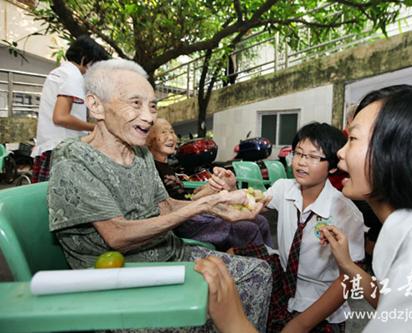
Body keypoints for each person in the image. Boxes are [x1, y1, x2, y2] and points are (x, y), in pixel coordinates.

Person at [195, 85, 412, 333]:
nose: (340, 153)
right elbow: (388, 298)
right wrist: (350, 266)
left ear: (396, 156)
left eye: (352, 138)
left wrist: (233, 320)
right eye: (300, 154)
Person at [47, 59, 272, 332]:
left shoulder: (139, 152)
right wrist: (207, 204)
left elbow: (164, 206)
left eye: (152, 105)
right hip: (119, 282)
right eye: (135, 103)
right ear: (96, 106)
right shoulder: (73, 158)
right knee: (200, 317)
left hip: (169, 258)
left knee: (258, 273)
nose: (149, 116)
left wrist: (218, 207)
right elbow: (117, 236)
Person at [209, 122, 365, 332]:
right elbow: (253, 203)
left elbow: (348, 280)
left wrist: (299, 325)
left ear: (334, 166)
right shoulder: (285, 188)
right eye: (299, 153)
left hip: (320, 295)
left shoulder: (347, 213)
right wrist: (232, 188)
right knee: (228, 257)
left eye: (313, 157)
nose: (302, 162)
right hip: (284, 273)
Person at [146, 118, 274, 251]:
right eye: (163, 132)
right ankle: (257, 265)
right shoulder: (150, 168)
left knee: (261, 221)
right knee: (249, 229)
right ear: (148, 140)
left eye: (172, 132)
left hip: (194, 211)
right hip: (183, 222)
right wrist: (208, 194)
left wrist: (210, 187)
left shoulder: (167, 166)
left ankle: (271, 262)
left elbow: (183, 196)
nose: (171, 137)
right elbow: (169, 207)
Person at [31, 35, 109, 183]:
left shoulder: (62, 73)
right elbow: (61, 117)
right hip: (61, 150)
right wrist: (96, 128)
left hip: (55, 147)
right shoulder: (72, 75)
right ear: (85, 58)